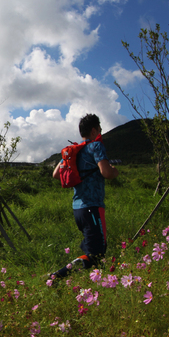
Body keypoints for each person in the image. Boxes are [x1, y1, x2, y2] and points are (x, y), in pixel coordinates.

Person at [49, 114, 119, 279]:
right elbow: (107, 173)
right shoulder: (96, 147)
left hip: (78, 209)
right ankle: (57, 277)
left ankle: (97, 284)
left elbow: (55, 174)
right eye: (100, 130)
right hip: (93, 207)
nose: (100, 133)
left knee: (97, 248)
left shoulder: (74, 151)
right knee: (96, 254)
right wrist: (115, 171)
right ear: (94, 130)